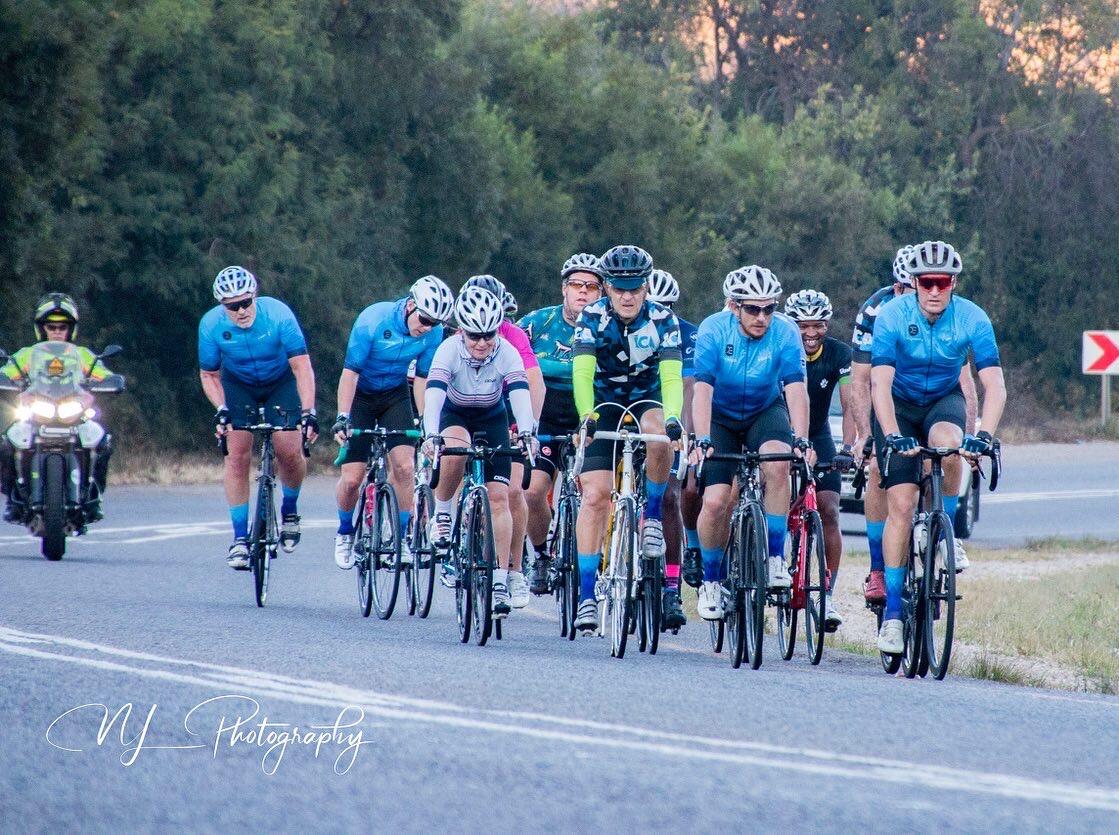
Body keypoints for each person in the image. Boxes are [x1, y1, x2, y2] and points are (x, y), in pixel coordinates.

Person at [870, 241, 1006, 654]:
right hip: (898, 405)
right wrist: (891, 433)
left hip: (943, 400)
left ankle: (943, 529)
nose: (934, 290)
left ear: (953, 284)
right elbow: (879, 384)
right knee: (901, 505)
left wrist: (984, 434)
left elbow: (995, 384)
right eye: (926, 282)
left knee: (950, 445)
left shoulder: (972, 317)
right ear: (913, 283)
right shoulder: (892, 316)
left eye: (942, 283)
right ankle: (894, 615)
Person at [851, 247, 978, 604]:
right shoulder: (876, 312)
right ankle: (879, 569)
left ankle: (943, 533)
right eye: (914, 289)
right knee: (881, 468)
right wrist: (866, 436)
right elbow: (861, 381)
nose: (924, 298)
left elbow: (965, 382)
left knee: (943, 452)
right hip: (891, 397)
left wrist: (967, 437)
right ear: (898, 288)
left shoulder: (948, 313)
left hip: (935, 400)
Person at [571, 245, 684, 634]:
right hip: (602, 403)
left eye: (635, 288)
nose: (628, 296)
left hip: (647, 398)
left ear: (646, 286)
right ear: (606, 287)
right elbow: (582, 373)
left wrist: (673, 417)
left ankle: (651, 516)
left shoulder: (663, 320)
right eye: (619, 289)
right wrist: (586, 416)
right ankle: (587, 596)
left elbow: (671, 377)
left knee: (659, 433)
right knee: (595, 496)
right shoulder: (591, 317)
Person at [691, 266, 813, 621]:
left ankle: (775, 557)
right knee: (715, 501)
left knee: (778, 462)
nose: (762, 317)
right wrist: (702, 438)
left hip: (764, 410)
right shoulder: (713, 329)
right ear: (734, 306)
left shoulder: (786, 331)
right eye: (753, 309)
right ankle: (711, 581)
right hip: (720, 416)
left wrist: (801, 438)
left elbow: (796, 388)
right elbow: (702, 390)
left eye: (769, 309)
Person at [423, 286, 537, 618]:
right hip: (455, 415)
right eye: (474, 335)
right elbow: (434, 396)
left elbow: (520, 394)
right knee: (455, 449)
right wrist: (431, 434)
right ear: (462, 330)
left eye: (489, 335)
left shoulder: (507, 352)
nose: (482, 343)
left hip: (491, 417)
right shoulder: (448, 350)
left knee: (500, 498)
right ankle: (444, 513)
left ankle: (499, 580)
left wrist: (527, 433)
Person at [198, 266, 319, 570]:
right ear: (222, 306)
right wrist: (221, 408)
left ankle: (289, 510)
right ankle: (240, 538)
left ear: (255, 296)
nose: (241, 311)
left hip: (280, 384)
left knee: (289, 452)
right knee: (236, 456)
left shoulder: (278, 315)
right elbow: (209, 374)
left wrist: (308, 412)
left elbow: (301, 366)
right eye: (232, 306)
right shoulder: (211, 325)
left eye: (245, 302)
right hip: (238, 386)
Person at [331, 275, 454, 570]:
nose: (427, 328)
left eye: (435, 323)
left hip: (394, 395)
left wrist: (426, 423)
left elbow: (422, 380)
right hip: (361, 396)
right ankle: (345, 532)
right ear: (411, 306)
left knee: (405, 467)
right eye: (425, 319)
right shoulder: (372, 320)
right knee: (352, 479)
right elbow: (350, 374)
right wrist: (343, 417)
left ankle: (399, 539)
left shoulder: (433, 333)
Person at [518, 253, 603, 594]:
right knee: (533, 491)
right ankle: (541, 554)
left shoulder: (608, 326)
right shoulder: (537, 323)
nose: (583, 292)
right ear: (564, 289)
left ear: (601, 293)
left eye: (592, 287)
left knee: (597, 492)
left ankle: (596, 558)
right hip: (546, 413)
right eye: (577, 285)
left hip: (591, 414)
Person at [459, 275, 545, 608]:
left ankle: (514, 569)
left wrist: (526, 428)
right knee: (453, 459)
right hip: (467, 410)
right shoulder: (455, 338)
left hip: (509, 409)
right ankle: (456, 532)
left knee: (513, 490)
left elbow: (533, 385)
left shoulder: (513, 336)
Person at [1, 293, 116, 522]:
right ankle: (13, 499)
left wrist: (109, 382)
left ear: (70, 329)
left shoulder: (83, 355)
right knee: (6, 443)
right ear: (41, 328)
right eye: (51, 326)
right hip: (36, 413)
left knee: (103, 442)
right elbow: (6, 372)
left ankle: (94, 497)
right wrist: (8, 381)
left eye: (62, 327)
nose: (56, 331)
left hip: (73, 414)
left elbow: (104, 375)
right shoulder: (27, 355)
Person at [784, 289, 855, 631]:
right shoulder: (782, 348)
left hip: (819, 434)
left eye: (818, 325)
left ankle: (827, 593)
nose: (811, 333)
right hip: (781, 431)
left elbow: (851, 403)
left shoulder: (840, 353)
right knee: (774, 501)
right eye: (803, 326)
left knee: (828, 509)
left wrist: (849, 447)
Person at [645, 268, 696, 631]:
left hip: (670, 420)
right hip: (632, 416)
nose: (660, 312)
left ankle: (671, 587)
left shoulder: (687, 334)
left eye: (668, 306)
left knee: (669, 498)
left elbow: (689, 388)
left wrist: (687, 436)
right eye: (654, 305)